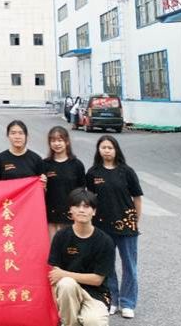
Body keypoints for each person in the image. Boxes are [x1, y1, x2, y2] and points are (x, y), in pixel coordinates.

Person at [86, 135, 143, 319]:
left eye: (110, 147)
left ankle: (128, 303)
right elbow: (89, 200)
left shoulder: (126, 171)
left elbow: (137, 198)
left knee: (129, 266)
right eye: (103, 147)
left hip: (126, 226)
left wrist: (135, 220)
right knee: (107, 266)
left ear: (116, 149)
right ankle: (112, 300)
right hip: (102, 227)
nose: (107, 151)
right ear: (98, 150)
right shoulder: (93, 173)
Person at [48, 188, 115, 326]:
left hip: (96, 295)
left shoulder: (105, 241)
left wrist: (65, 274)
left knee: (94, 322)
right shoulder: (61, 237)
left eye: (86, 206)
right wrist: (57, 310)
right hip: (68, 293)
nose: (81, 210)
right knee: (66, 284)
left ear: (94, 211)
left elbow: (97, 280)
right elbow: (55, 277)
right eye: (77, 206)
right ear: (70, 210)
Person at [44, 126, 86, 239]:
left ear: (67, 142)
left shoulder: (77, 164)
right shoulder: (44, 164)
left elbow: (82, 191)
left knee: (68, 246)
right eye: (53, 141)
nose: (57, 144)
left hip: (71, 213)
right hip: (50, 212)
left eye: (60, 140)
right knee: (52, 245)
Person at [0, 120, 47, 187]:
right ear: (8, 136)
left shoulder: (36, 159)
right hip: (8, 194)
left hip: (29, 194)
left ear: (27, 136)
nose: (17, 137)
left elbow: (42, 187)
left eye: (21, 133)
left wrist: (44, 183)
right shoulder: (0, 158)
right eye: (13, 133)